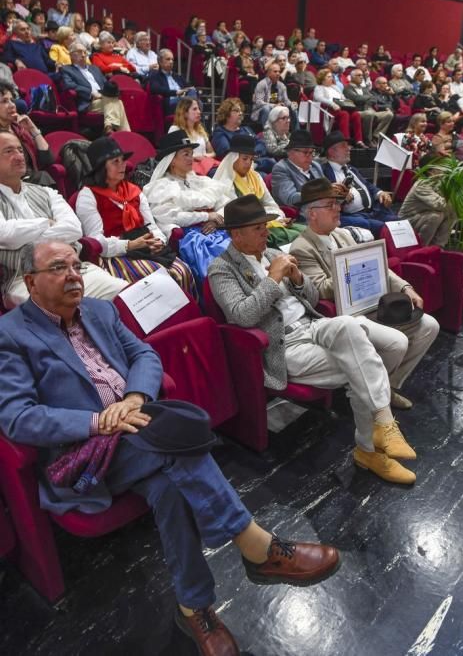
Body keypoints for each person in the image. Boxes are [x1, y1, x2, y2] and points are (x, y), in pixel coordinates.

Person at [0, 238, 341, 656]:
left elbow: (145, 356)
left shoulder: (102, 311)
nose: (73, 274)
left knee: (170, 485)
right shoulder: (11, 336)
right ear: (31, 281)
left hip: (141, 430)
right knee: (177, 445)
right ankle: (259, 547)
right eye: (59, 267)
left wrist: (135, 398)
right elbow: (17, 417)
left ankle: (194, 606)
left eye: (76, 265)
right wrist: (96, 421)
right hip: (85, 457)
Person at [208, 194, 419, 485]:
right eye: (258, 228)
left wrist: (296, 279)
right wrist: (273, 279)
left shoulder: (270, 254)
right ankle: (370, 446)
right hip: (283, 345)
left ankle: (379, 424)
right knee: (363, 365)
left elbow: (313, 297)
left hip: (313, 325)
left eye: (265, 226)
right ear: (236, 234)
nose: (266, 232)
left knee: (387, 341)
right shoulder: (221, 269)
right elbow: (242, 316)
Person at [290, 176, 439, 403]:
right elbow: (319, 290)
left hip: (369, 302)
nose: (338, 209)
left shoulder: (344, 233)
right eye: (330, 205)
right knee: (397, 342)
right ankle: (369, 395)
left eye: (338, 203)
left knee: (430, 325)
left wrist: (405, 287)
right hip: (344, 314)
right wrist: (350, 270)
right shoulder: (302, 247)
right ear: (312, 213)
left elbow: (377, 265)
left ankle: (387, 386)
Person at [0, 132, 126, 308]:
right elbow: (5, 234)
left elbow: (74, 229)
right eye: (9, 151)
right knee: (69, 307)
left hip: (73, 268)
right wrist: (46, 222)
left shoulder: (46, 192)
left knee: (125, 295)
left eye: (20, 150)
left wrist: (24, 240)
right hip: (25, 278)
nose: (19, 156)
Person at [75, 137, 196, 296]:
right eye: (115, 162)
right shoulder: (88, 195)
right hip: (116, 253)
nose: (122, 165)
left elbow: (151, 225)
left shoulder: (133, 190)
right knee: (156, 277)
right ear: (100, 168)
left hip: (144, 246)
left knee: (183, 271)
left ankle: (185, 315)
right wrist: (129, 245)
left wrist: (158, 241)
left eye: (123, 160)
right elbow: (96, 241)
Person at [143, 130, 236, 281]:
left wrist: (215, 219)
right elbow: (169, 216)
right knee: (222, 258)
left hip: (216, 228)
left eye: (191, 153)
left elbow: (227, 203)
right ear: (172, 160)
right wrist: (206, 216)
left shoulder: (199, 181)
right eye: (185, 154)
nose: (191, 158)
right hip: (193, 236)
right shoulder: (162, 186)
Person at [213, 134, 305, 248]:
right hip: (248, 230)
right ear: (233, 158)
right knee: (297, 236)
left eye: (251, 159)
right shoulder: (226, 181)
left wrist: (279, 219)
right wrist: (269, 221)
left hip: (268, 223)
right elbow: (237, 216)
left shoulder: (256, 177)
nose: (248, 163)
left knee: (306, 230)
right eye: (245, 158)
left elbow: (271, 204)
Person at [320, 131, 398, 237]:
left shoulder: (352, 169)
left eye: (348, 146)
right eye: (344, 146)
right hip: (352, 215)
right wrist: (339, 196)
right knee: (383, 228)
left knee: (398, 223)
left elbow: (367, 185)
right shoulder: (324, 172)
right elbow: (324, 196)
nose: (349, 149)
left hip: (373, 210)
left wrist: (380, 193)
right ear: (331, 152)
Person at [61, 42, 130, 133]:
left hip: (104, 98)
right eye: (80, 51)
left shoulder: (94, 69)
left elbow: (105, 83)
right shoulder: (67, 69)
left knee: (117, 101)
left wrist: (110, 92)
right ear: (71, 54)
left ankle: (109, 128)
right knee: (116, 102)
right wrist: (92, 93)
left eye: (85, 52)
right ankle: (126, 135)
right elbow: (69, 85)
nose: (83, 54)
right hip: (89, 102)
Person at [0, 82, 55, 185]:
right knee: (43, 178)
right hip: (10, 186)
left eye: (12, 100)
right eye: (4, 101)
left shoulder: (19, 129)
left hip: (31, 181)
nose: (12, 105)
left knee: (43, 177)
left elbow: (47, 160)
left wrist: (33, 129)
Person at [399, 153, 458, 246]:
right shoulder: (422, 184)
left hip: (425, 216)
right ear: (431, 171)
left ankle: (438, 247)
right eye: (441, 166)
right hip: (408, 221)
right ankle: (421, 249)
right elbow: (440, 204)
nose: (445, 169)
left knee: (451, 212)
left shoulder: (440, 181)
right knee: (435, 216)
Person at [211, 97, 274, 174]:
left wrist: (253, 154)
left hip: (255, 162)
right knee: (264, 172)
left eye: (241, 111)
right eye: (236, 111)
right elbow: (227, 153)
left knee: (272, 162)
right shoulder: (220, 133)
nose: (240, 113)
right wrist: (250, 155)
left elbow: (261, 144)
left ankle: (255, 165)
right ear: (226, 114)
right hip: (234, 169)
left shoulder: (246, 129)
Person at [271, 130, 323, 213]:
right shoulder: (281, 168)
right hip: (301, 218)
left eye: (311, 152)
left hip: (324, 211)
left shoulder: (315, 166)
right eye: (305, 152)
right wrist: (319, 193)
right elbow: (290, 198)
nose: (309, 156)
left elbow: (326, 189)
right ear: (290, 152)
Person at [313, 69, 366, 148]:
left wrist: (348, 103)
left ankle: (359, 140)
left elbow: (343, 97)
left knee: (356, 114)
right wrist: (332, 104)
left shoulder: (335, 87)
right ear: (322, 78)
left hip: (341, 108)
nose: (331, 78)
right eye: (328, 77)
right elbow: (318, 98)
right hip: (329, 110)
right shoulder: (319, 88)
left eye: (331, 76)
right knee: (344, 114)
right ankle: (345, 141)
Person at [168, 97, 218, 176]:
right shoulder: (175, 129)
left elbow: (212, 153)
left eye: (199, 109)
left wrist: (204, 156)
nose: (199, 112)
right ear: (185, 113)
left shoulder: (200, 130)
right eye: (194, 109)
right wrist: (194, 157)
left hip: (205, 165)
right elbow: (171, 155)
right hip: (187, 168)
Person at [344, 69, 393, 146]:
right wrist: (367, 98)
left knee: (389, 114)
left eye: (362, 75)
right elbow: (356, 99)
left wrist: (365, 99)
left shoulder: (363, 88)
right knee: (369, 114)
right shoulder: (347, 88)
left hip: (369, 110)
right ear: (352, 77)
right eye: (358, 75)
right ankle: (368, 140)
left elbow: (373, 99)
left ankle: (376, 137)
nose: (361, 77)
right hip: (357, 111)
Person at [148, 48, 197, 115]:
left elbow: (189, 87)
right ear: (160, 61)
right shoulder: (155, 75)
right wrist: (176, 92)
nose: (171, 61)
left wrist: (189, 89)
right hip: (170, 102)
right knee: (193, 103)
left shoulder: (177, 76)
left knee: (193, 92)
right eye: (168, 59)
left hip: (183, 99)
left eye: (172, 59)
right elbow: (155, 88)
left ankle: (191, 108)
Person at [251, 63, 296, 128]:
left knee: (293, 108)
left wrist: (292, 104)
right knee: (266, 108)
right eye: (275, 71)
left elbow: (286, 101)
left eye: (279, 71)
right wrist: (274, 105)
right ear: (268, 73)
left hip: (277, 111)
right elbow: (258, 102)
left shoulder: (281, 85)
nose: (278, 73)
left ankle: (296, 133)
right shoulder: (261, 84)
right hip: (260, 113)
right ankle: (267, 132)